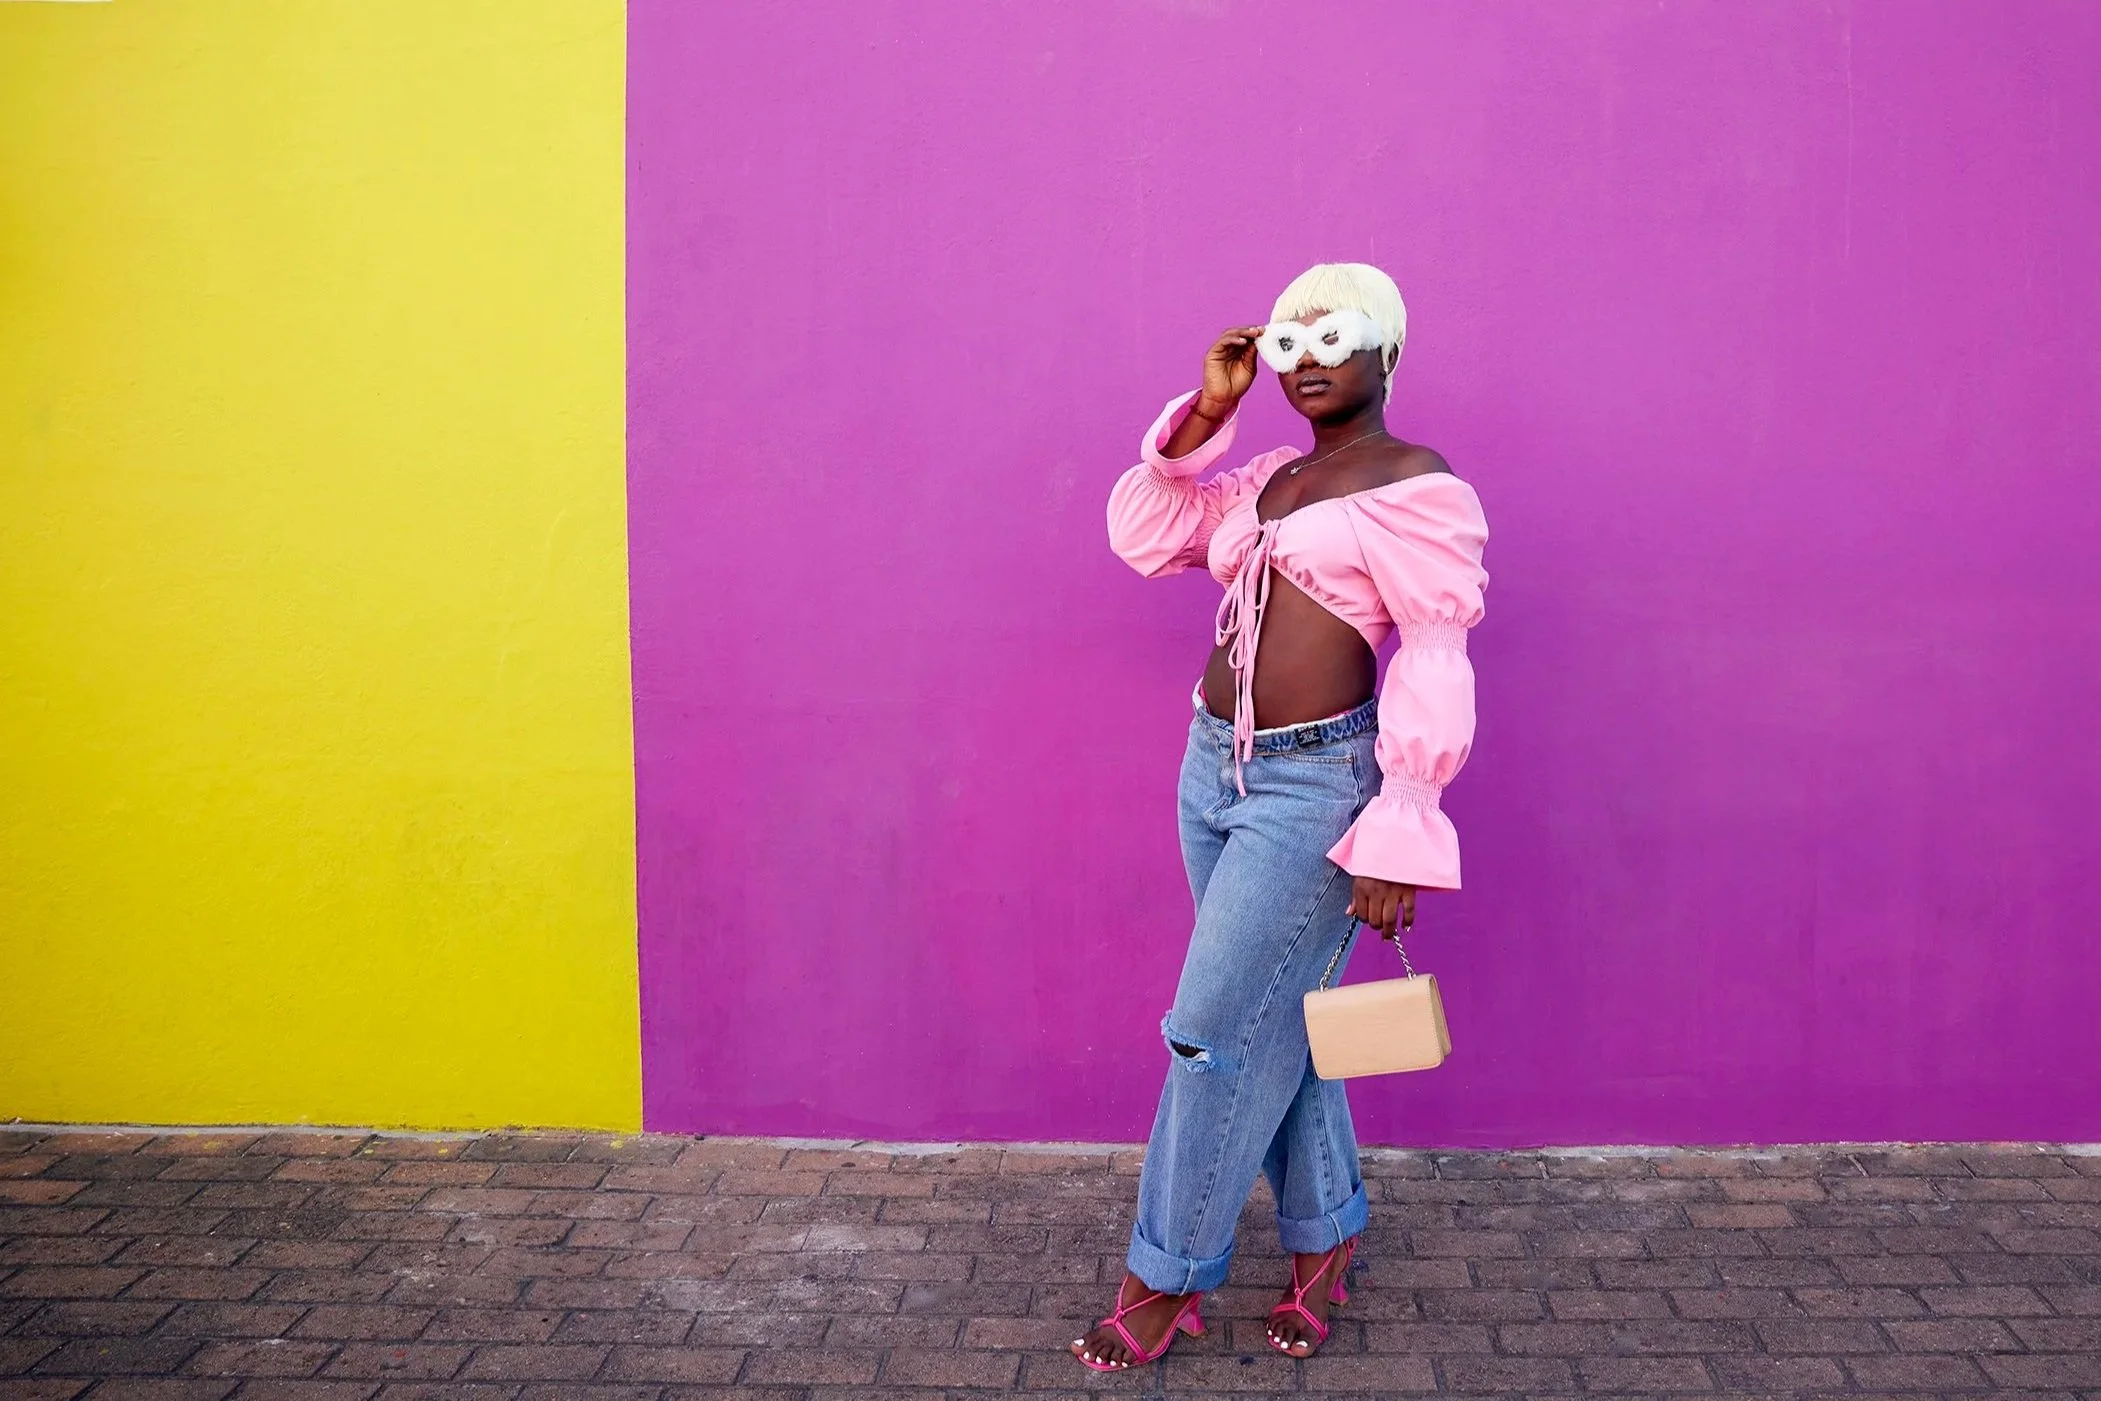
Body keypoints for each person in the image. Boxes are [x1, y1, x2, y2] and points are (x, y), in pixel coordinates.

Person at [1072, 263, 1489, 1370]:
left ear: (1385, 351)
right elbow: (1148, 533)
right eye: (1288, 342)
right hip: (1211, 770)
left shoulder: (1414, 484)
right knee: (1273, 1025)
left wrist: (1402, 818)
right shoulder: (1265, 476)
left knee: (1210, 1033)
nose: (1305, 362)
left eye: (1332, 338)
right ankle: (1326, 1233)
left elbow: (1434, 656)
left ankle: (1164, 1275)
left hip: (1315, 785)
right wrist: (1209, 410)